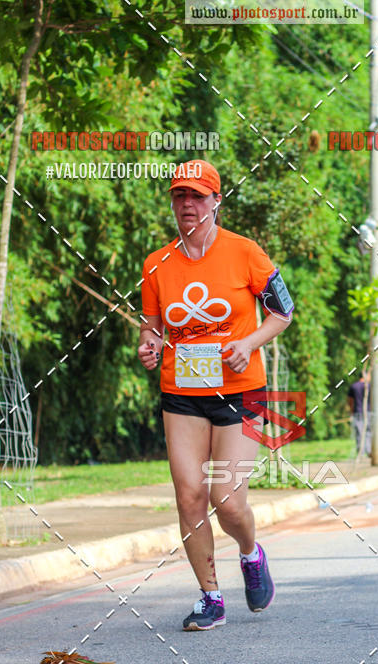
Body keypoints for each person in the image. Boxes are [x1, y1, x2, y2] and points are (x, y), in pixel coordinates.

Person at [138, 160, 293, 631]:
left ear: (216, 201)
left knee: (226, 499)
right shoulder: (156, 264)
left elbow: (283, 312)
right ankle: (210, 597)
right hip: (182, 392)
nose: (188, 204)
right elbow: (152, 326)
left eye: (198, 196)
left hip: (241, 392)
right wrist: (148, 345)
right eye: (180, 196)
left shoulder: (245, 253)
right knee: (190, 497)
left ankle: (250, 553)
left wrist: (248, 343)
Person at [348, 370, 371, 455]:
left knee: (359, 432)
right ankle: (369, 450)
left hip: (357, 411)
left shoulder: (354, 386)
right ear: (365, 376)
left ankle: (360, 452)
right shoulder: (370, 386)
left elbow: (350, 400)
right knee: (369, 431)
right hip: (369, 411)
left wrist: (351, 410)